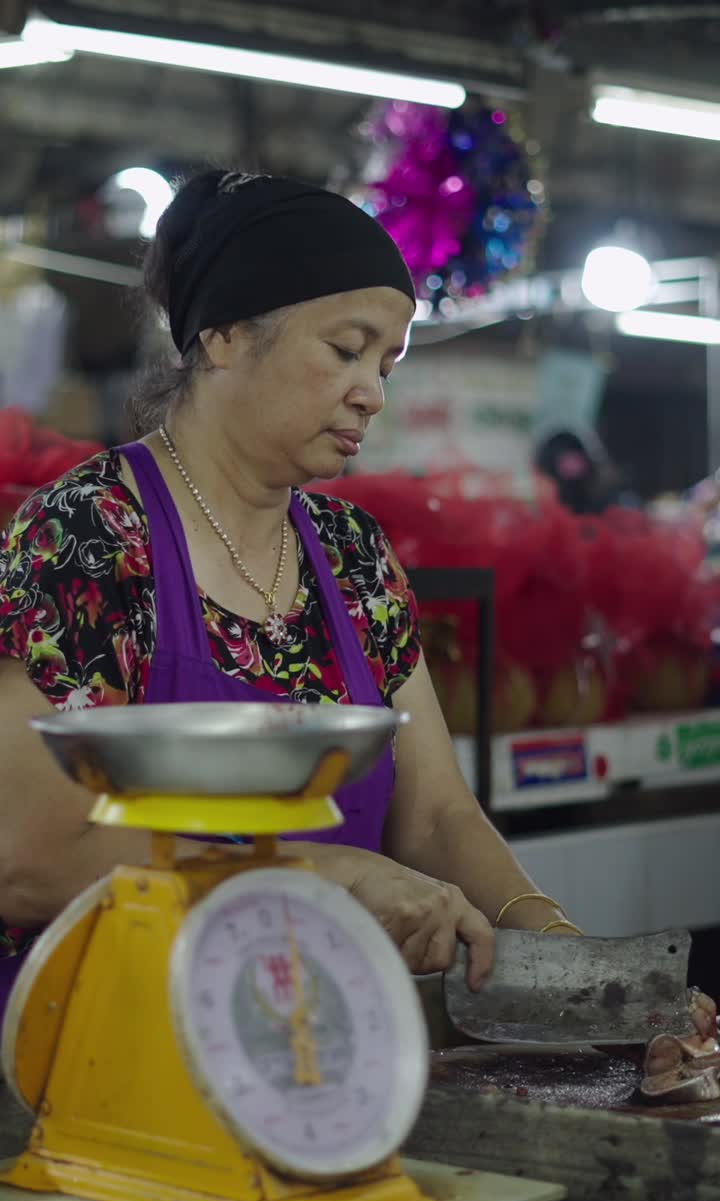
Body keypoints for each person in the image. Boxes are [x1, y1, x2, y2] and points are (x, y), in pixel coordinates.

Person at [0, 169, 602, 1016]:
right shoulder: (93, 535)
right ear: (228, 335)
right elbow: (29, 854)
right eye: (346, 349)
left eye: (387, 364)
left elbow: (433, 817)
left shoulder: (355, 559)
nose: (373, 393)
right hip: (110, 1046)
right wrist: (321, 877)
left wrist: (566, 953)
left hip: (322, 1049)